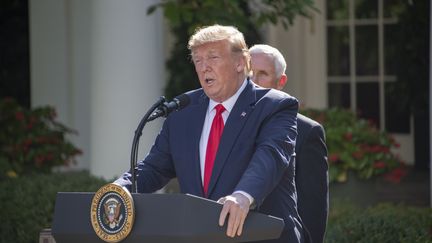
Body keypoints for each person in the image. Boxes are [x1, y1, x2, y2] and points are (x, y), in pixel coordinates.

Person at [115, 25, 306, 242]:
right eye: (198, 60)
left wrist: (243, 196)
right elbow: (154, 167)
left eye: (213, 57)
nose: (204, 67)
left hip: (261, 236)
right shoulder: (183, 111)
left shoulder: (274, 106)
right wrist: (118, 189)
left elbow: (270, 157)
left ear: (240, 63)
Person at [249, 44, 329, 243]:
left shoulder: (307, 131)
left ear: (280, 81)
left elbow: (313, 210)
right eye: (248, 73)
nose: (253, 81)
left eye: (263, 74)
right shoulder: (224, 124)